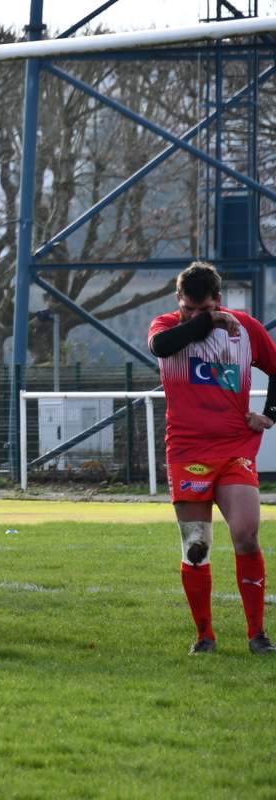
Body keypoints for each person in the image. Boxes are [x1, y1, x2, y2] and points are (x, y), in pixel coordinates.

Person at [148, 261, 276, 655]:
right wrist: (210, 322)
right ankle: (204, 635)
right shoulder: (166, 326)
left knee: (246, 535)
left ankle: (257, 634)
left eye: (204, 310)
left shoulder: (246, 329)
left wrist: (269, 415)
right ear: (178, 302)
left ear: (218, 301)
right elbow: (160, 348)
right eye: (188, 308)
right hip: (187, 451)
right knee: (196, 545)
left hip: (235, 448)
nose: (194, 316)